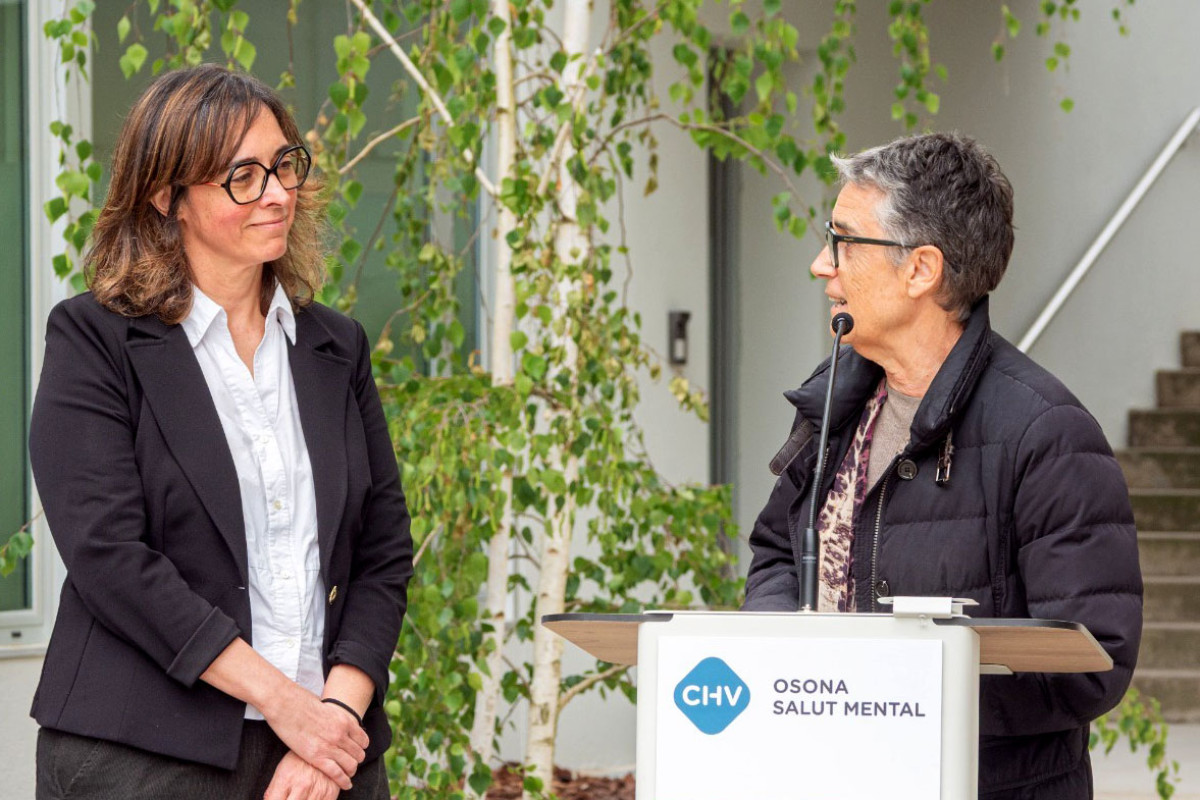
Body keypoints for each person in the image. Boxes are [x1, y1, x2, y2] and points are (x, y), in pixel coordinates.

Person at [28, 64, 413, 800]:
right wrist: (285, 703)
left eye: (284, 165)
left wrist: (330, 719)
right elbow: (111, 559)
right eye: (243, 176)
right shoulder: (93, 340)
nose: (277, 194)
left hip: (329, 760)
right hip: (143, 758)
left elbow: (384, 556)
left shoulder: (337, 348)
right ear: (166, 195)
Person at [742, 132, 1142, 799]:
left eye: (843, 241)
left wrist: (890, 698)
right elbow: (778, 553)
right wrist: (793, 671)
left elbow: (1094, 660)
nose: (821, 265)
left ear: (921, 270)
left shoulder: (1048, 434)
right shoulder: (833, 398)